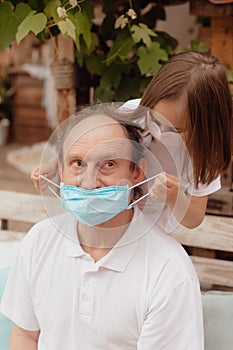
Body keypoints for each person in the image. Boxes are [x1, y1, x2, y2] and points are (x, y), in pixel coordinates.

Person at [1, 106, 204, 349]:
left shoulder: (170, 271)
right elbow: (25, 336)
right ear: (62, 171)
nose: (89, 183)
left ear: (137, 172)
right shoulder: (39, 240)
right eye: (78, 163)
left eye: (108, 164)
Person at [31, 51, 233, 233]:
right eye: (154, 119)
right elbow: (89, 147)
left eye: (176, 130)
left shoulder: (205, 152)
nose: (160, 133)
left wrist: (175, 197)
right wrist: (52, 166)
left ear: (205, 126)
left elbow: (194, 219)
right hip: (110, 219)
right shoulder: (133, 113)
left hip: (153, 233)